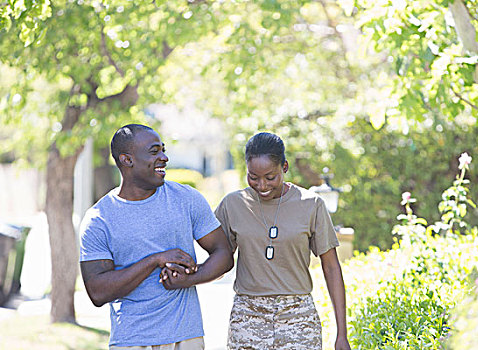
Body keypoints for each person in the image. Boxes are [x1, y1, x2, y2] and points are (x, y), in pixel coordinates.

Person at [79, 124, 234, 350]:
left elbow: (224, 254)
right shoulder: (99, 219)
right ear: (127, 160)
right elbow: (97, 291)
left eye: (163, 150)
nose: (164, 157)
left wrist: (189, 279)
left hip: (186, 337)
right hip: (131, 341)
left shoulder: (186, 198)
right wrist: (154, 260)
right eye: (154, 152)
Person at [214, 132, 351, 350]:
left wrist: (341, 333)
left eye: (270, 177)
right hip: (248, 317)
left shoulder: (311, 204)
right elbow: (218, 259)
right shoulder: (233, 204)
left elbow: (332, 267)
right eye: (253, 177)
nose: (261, 185)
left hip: (298, 318)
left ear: (284, 167)